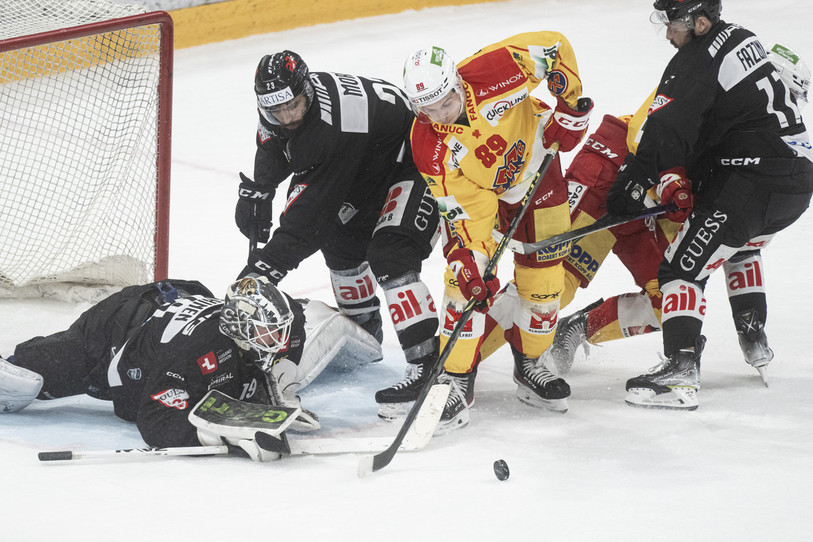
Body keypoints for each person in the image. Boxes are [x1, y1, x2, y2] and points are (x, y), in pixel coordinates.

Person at [551, 42, 812, 384]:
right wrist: (655, 182)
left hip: (666, 206)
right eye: (787, 93)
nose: (787, 105)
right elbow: (643, 135)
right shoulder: (714, 87)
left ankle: (577, 328)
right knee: (554, 281)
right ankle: (479, 353)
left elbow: (744, 248)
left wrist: (752, 327)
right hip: (618, 175)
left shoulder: (760, 143)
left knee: (670, 301)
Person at [604, 0, 813, 410]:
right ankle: (753, 335)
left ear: (701, 22)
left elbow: (668, 125)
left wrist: (633, 182)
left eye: (674, 25)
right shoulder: (744, 38)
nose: (668, 35)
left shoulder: (699, 57)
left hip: (750, 182)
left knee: (681, 266)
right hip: (798, 183)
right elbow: (723, 125)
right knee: (741, 245)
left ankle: (681, 370)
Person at [402, 33, 593, 431]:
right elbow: (465, 215)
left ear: (457, 83)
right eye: (429, 110)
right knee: (463, 283)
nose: (442, 116)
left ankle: (529, 363)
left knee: (544, 283)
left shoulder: (495, 68)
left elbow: (555, 47)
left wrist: (570, 107)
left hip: (537, 165)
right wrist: (471, 259)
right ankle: (455, 379)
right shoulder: (426, 146)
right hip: (481, 196)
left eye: (447, 102)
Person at [234, 51, 440, 418]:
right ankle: (362, 328)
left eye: (292, 107)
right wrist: (261, 190)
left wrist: (264, 271)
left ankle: (428, 365)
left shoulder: (330, 129)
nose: (285, 116)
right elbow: (273, 142)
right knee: (339, 241)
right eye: (274, 110)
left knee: (390, 253)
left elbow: (308, 220)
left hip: (418, 159)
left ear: (307, 92)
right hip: (368, 161)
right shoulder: (284, 103)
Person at [0, 276, 382, 460]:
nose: (277, 343)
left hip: (179, 296)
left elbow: (297, 322)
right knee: (38, 375)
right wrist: (228, 439)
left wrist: (283, 382)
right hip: (115, 331)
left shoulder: (271, 322)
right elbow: (154, 420)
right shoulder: (193, 351)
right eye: (267, 336)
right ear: (241, 330)